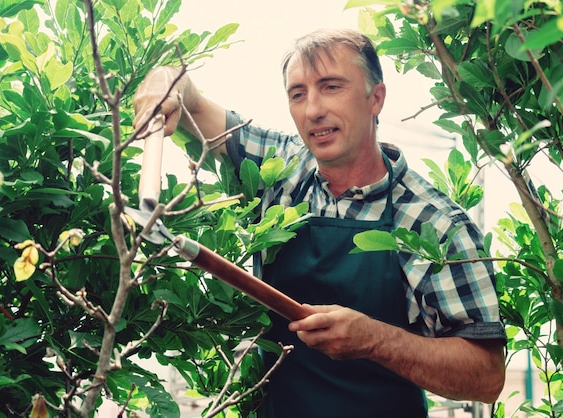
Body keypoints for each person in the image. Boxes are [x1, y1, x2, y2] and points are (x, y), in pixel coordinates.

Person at [133, 28, 506, 418]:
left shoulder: (434, 223)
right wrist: (167, 79)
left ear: (375, 98)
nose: (312, 110)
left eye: (331, 87)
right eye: (298, 94)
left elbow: (486, 376)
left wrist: (375, 340)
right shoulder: (280, 169)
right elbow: (193, 104)